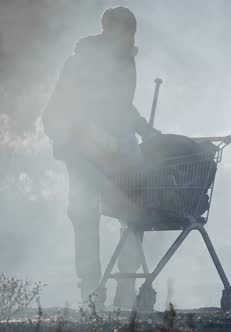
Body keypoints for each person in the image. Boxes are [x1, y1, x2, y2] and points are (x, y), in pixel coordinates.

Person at [42, 7, 159, 309]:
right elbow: (76, 108)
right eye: (124, 32)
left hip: (112, 148)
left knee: (133, 212)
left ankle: (125, 289)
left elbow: (120, 106)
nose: (128, 38)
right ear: (107, 30)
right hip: (80, 149)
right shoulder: (81, 63)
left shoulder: (125, 60)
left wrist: (143, 128)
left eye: (131, 33)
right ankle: (91, 295)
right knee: (84, 214)